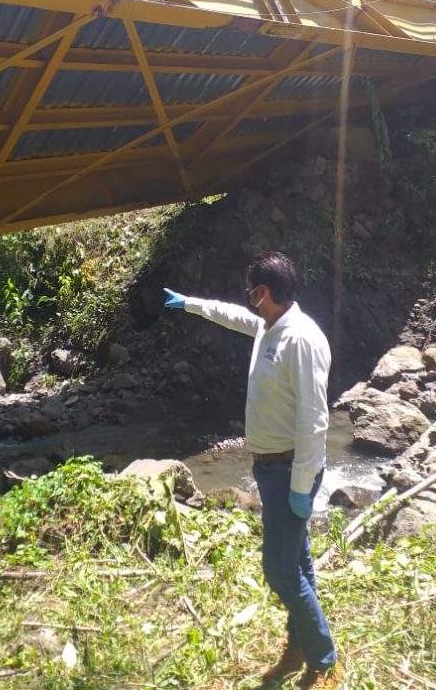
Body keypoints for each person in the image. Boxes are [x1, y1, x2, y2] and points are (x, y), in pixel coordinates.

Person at [163, 252, 342, 689]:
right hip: (270, 468)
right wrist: (190, 303)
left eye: (250, 291)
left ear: (263, 292)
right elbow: (231, 317)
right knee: (297, 563)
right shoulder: (270, 327)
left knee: (279, 571)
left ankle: (323, 657)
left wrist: (301, 486)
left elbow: (315, 420)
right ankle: (298, 647)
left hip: (289, 471)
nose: (247, 299)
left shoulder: (300, 339)